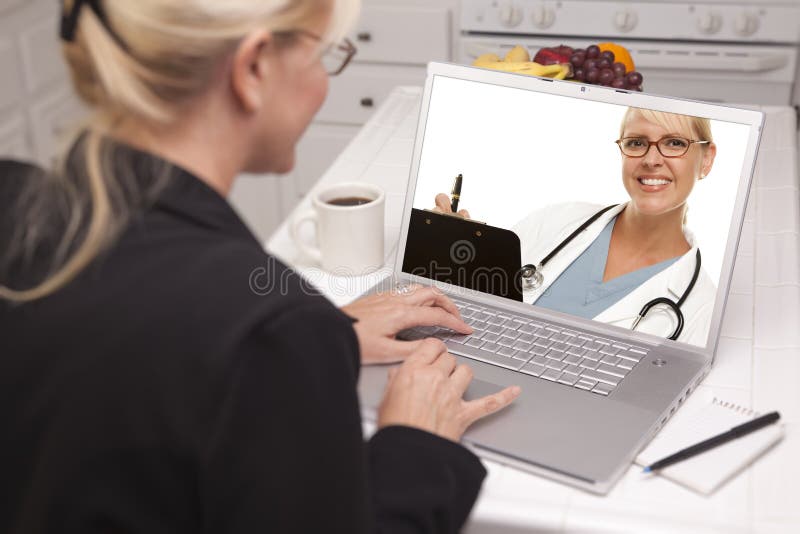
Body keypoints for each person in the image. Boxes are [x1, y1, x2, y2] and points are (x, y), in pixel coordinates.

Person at [0, 1, 520, 533]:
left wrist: (319, 337)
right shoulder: (268, 330)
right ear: (252, 68)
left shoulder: (13, 202)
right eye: (323, 56)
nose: (323, 83)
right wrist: (418, 444)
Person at [433, 108, 717, 345]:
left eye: (675, 143)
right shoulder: (556, 220)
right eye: (636, 143)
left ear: (706, 159)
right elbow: (473, 310)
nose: (652, 160)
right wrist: (454, 255)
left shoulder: (702, 307)